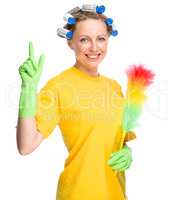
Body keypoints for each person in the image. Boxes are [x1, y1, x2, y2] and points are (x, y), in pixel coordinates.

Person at [16, 4, 136, 200]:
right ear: (70, 42)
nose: (94, 47)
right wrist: (27, 90)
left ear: (108, 41)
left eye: (101, 39)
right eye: (84, 40)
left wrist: (127, 151)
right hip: (78, 193)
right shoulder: (59, 86)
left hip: (115, 194)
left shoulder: (114, 87)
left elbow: (117, 139)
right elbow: (26, 145)